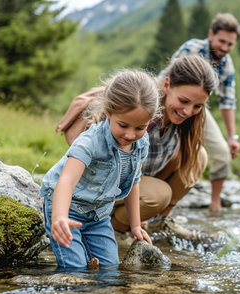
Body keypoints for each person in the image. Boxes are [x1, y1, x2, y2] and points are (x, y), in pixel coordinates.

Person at [55, 55, 218, 233]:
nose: (188, 111)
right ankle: (116, 229)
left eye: (197, 106)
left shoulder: (181, 120)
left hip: (134, 181)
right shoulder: (140, 112)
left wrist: (146, 214)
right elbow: (82, 145)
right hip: (99, 188)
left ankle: (159, 221)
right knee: (159, 194)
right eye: (184, 101)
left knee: (198, 155)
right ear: (167, 85)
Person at [40, 69, 159, 269]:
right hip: (67, 209)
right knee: (75, 268)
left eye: (140, 127)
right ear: (109, 112)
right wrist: (59, 216)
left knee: (109, 269)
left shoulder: (142, 143)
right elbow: (66, 180)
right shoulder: (90, 141)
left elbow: (134, 181)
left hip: (99, 216)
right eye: (123, 125)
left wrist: (136, 226)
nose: (130, 135)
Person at [163, 13, 240, 213]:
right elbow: (170, 80)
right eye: (222, 41)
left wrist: (232, 137)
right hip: (167, 100)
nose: (225, 47)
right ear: (211, 34)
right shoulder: (193, 48)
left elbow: (228, 101)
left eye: (230, 44)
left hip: (197, 108)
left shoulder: (227, 65)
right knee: (169, 149)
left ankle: (215, 202)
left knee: (223, 153)